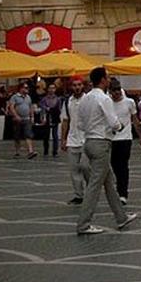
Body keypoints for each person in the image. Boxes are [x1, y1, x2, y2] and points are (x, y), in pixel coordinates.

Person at [75, 67, 137, 235]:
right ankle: (83, 224)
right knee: (94, 186)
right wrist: (120, 126)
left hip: (88, 141)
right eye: (108, 78)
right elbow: (113, 122)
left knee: (108, 182)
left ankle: (121, 217)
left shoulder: (85, 99)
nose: (109, 80)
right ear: (102, 80)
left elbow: (79, 124)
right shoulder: (104, 99)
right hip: (101, 143)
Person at [108, 79, 141, 204]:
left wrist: (140, 137)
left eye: (118, 89)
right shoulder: (107, 103)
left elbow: (135, 120)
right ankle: (119, 185)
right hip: (112, 139)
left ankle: (123, 193)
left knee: (123, 166)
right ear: (110, 92)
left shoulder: (129, 102)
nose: (117, 93)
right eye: (114, 90)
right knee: (114, 165)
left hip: (125, 138)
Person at [60, 77, 90, 206]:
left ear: (83, 86)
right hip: (72, 139)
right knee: (74, 170)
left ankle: (91, 191)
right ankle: (79, 195)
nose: (77, 87)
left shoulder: (88, 99)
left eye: (79, 85)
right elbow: (65, 121)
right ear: (71, 87)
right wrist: (63, 138)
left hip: (86, 139)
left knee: (86, 167)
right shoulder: (68, 102)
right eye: (74, 85)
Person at [7, 81, 36, 159]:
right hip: (17, 119)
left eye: (27, 88)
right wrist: (16, 116)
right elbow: (11, 107)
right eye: (26, 88)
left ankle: (30, 151)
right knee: (17, 136)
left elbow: (31, 107)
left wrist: (32, 117)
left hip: (26, 118)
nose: (27, 89)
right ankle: (17, 152)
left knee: (28, 134)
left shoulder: (28, 97)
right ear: (21, 88)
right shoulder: (15, 97)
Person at [37, 81, 62, 157]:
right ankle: (46, 151)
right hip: (47, 116)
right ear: (47, 89)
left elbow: (59, 108)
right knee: (46, 135)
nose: (51, 90)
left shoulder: (58, 99)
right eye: (50, 88)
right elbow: (42, 108)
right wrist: (43, 117)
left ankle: (55, 151)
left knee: (55, 135)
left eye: (53, 88)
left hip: (55, 116)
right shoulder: (44, 99)